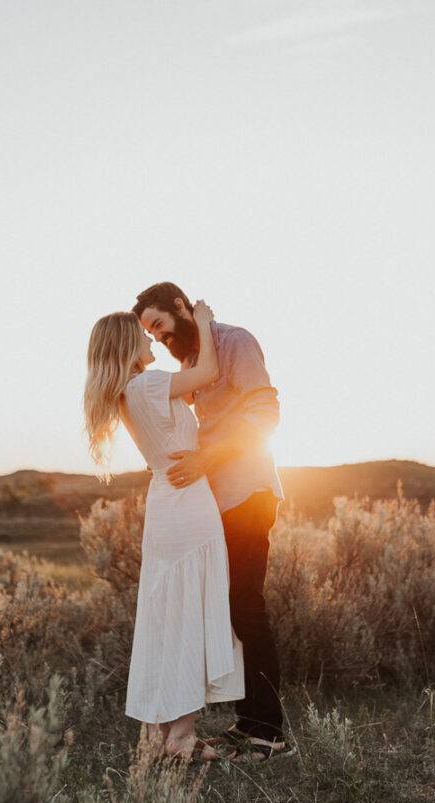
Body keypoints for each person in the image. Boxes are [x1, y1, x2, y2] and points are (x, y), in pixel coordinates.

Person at [132, 282, 291, 761]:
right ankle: (248, 723)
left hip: (249, 490)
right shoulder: (190, 364)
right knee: (228, 609)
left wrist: (209, 457)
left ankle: (270, 734)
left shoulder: (235, 342)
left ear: (182, 308)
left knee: (246, 605)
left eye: (160, 325)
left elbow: (266, 410)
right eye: (150, 334)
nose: (158, 339)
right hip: (213, 501)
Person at [83, 301, 244, 760]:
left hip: (164, 504)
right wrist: (206, 322)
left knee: (165, 616)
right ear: (126, 347)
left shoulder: (129, 393)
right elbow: (209, 372)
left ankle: (158, 733)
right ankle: (181, 735)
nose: (152, 340)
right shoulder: (150, 384)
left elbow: (192, 396)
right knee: (189, 611)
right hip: (188, 504)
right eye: (143, 336)